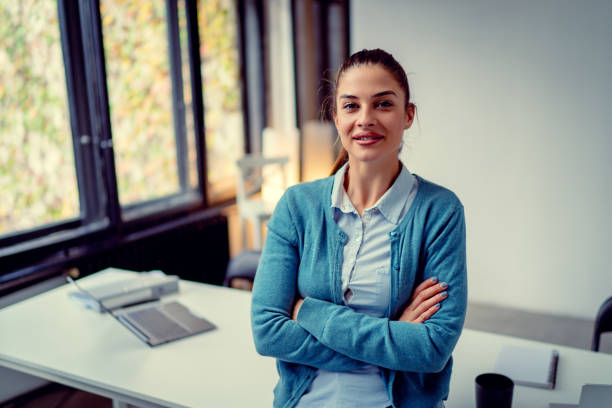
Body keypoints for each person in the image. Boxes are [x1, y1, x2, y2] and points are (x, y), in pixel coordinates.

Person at [251, 48, 467, 408]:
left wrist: (308, 311)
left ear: (408, 114)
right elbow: (268, 333)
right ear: (336, 117)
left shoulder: (440, 211)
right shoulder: (297, 206)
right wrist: (395, 336)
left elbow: (432, 349)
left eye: (383, 104)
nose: (365, 119)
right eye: (351, 106)